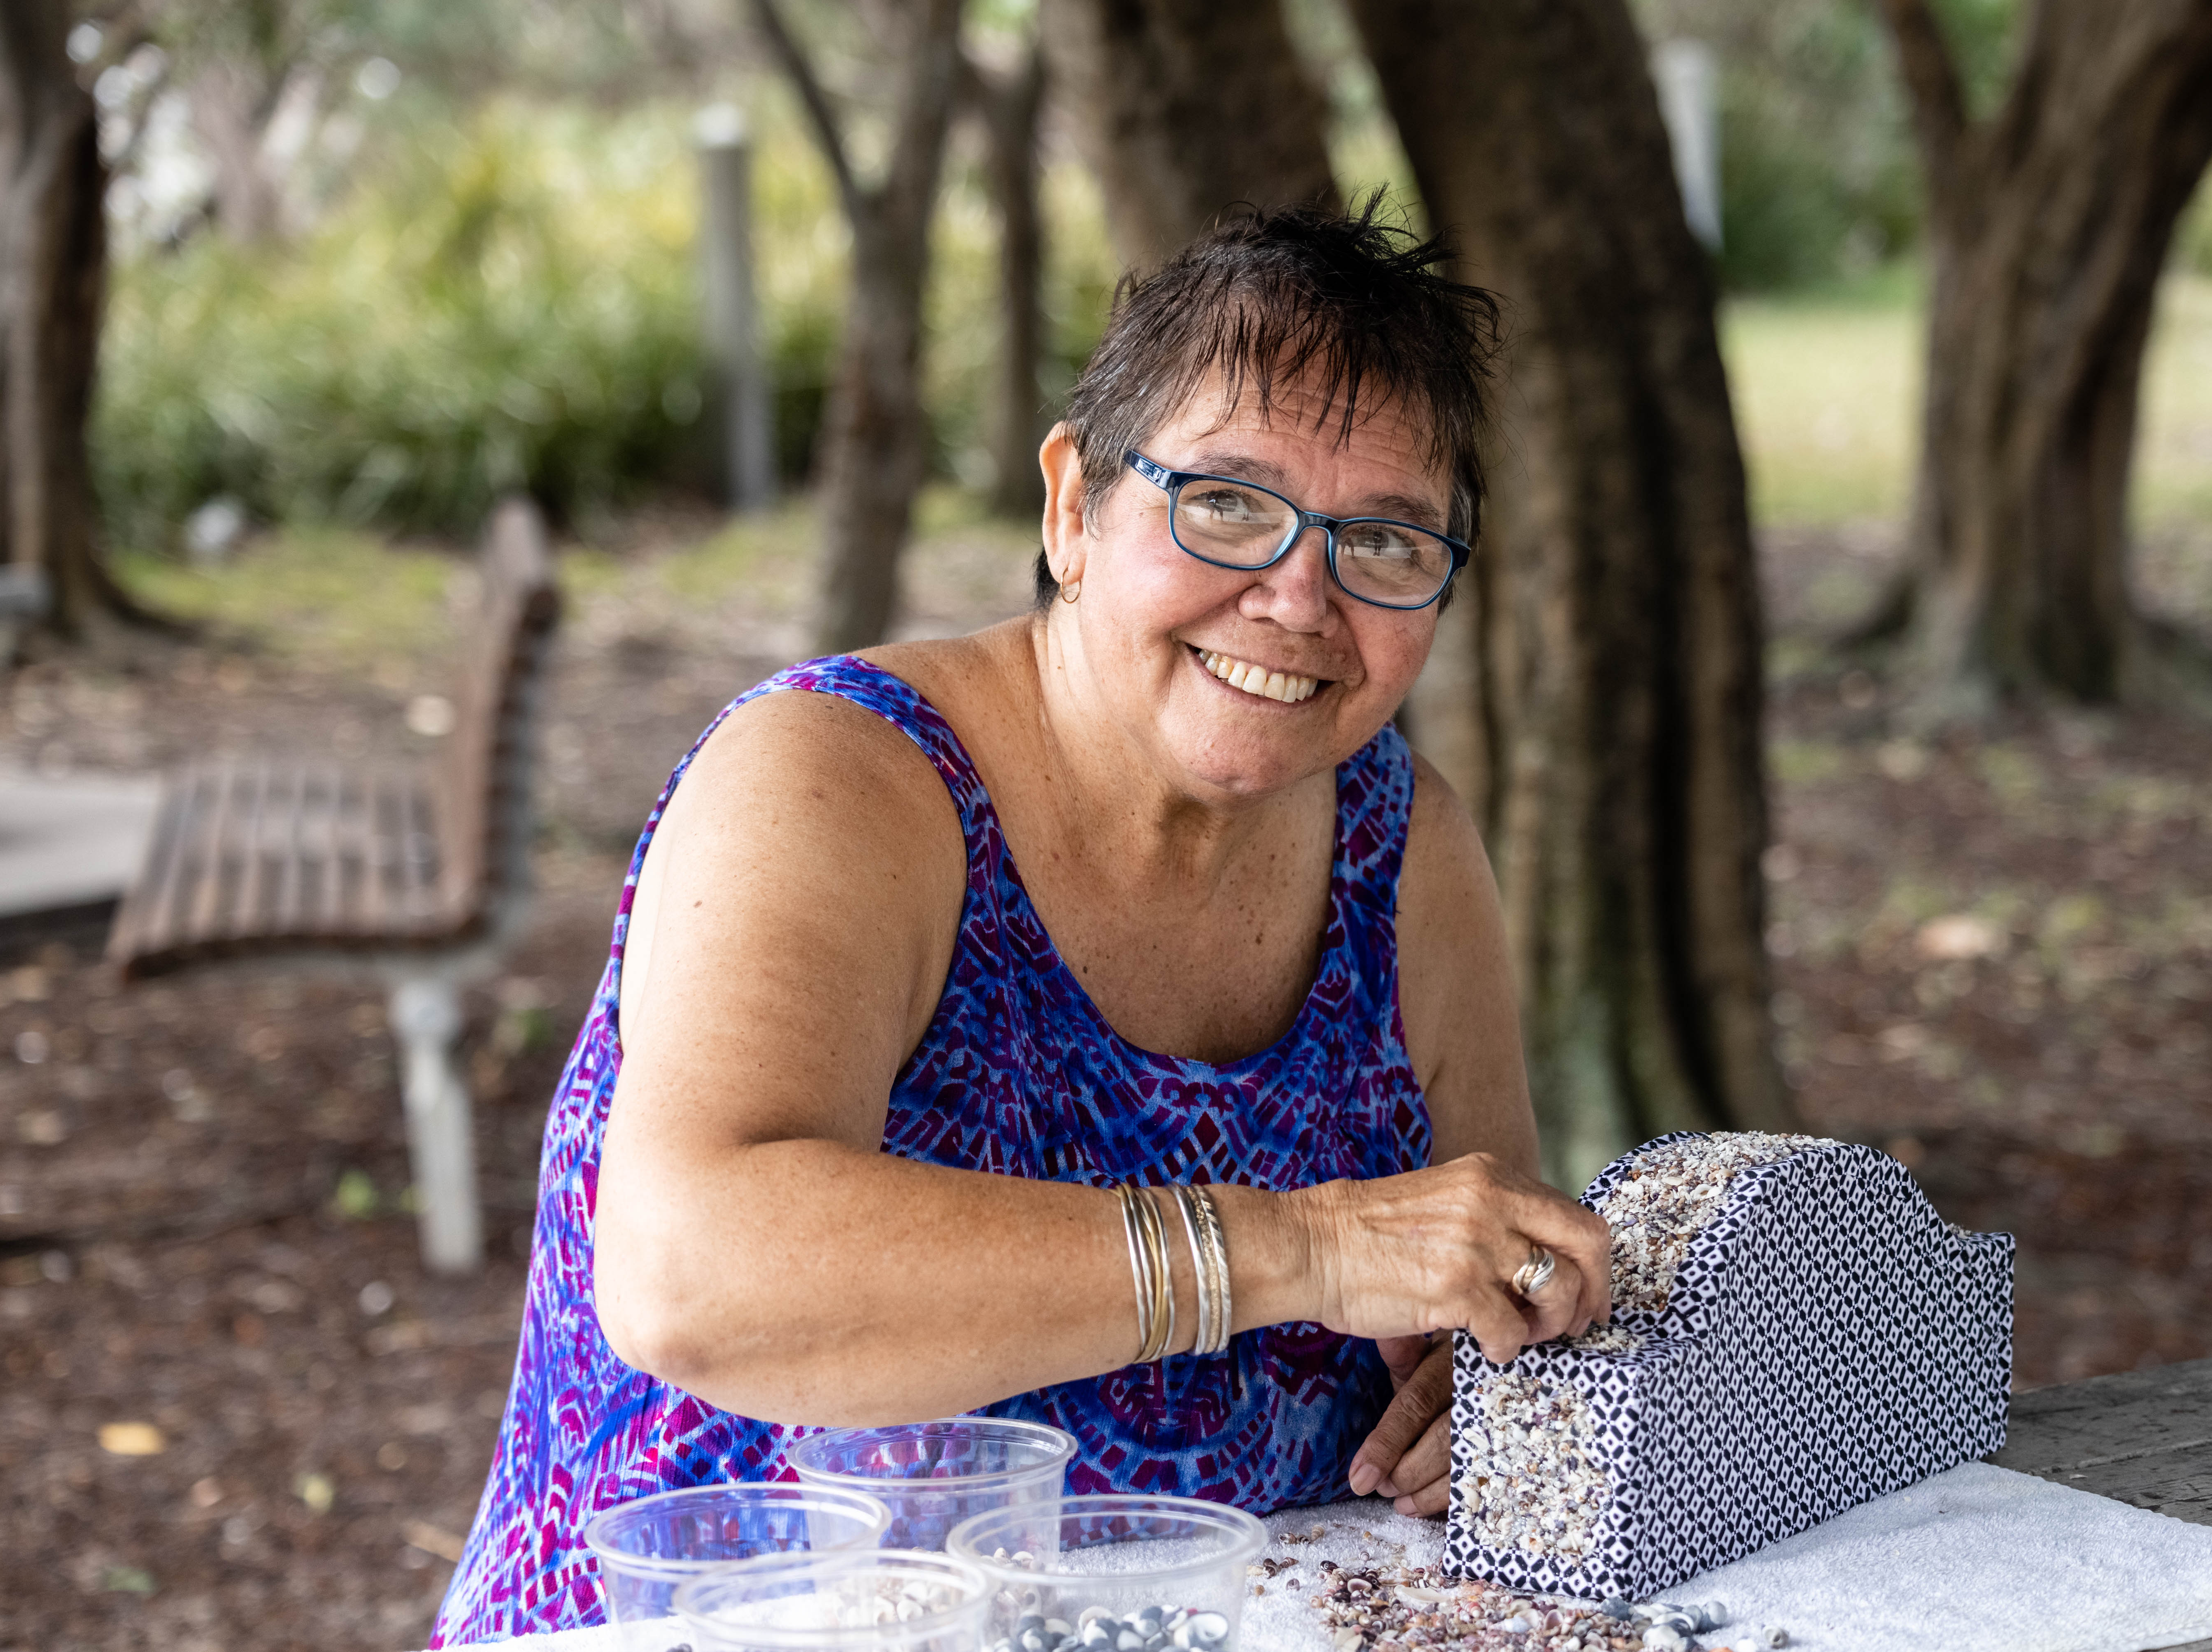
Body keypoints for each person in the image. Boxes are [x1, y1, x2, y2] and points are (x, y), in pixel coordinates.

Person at [433, 201, 1612, 1645]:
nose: (1300, 596)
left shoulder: (1402, 845)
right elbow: (690, 1267)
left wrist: (1482, 1377)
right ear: (1072, 506)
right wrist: (1292, 1248)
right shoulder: (841, 777)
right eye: (1226, 503)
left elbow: (1487, 1287)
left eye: (1384, 538)